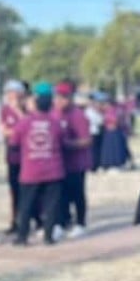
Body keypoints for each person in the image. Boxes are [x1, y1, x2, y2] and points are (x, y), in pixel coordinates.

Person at [10, 91, 66, 246]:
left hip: (30, 171)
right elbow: (63, 141)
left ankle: (22, 236)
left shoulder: (24, 123)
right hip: (53, 169)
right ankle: (48, 236)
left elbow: (13, 143)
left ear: (35, 105)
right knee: (51, 205)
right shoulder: (55, 122)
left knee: (26, 205)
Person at [54, 82, 92, 239]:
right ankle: (63, 222)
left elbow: (87, 140)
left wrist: (68, 144)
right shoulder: (55, 114)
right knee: (61, 195)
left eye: (64, 97)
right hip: (60, 164)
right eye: (58, 97)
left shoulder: (78, 115)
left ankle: (81, 223)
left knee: (77, 194)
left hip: (76, 163)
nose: (60, 100)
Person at [0, 80, 28, 235]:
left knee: (28, 190)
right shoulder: (5, 110)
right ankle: (15, 220)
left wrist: (18, 111)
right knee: (14, 190)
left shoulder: (27, 108)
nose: (11, 96)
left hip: (27, 156)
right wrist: (17, 131)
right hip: (13, 155)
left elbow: (28, 125)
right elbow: (5, 131)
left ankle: (30, 218)